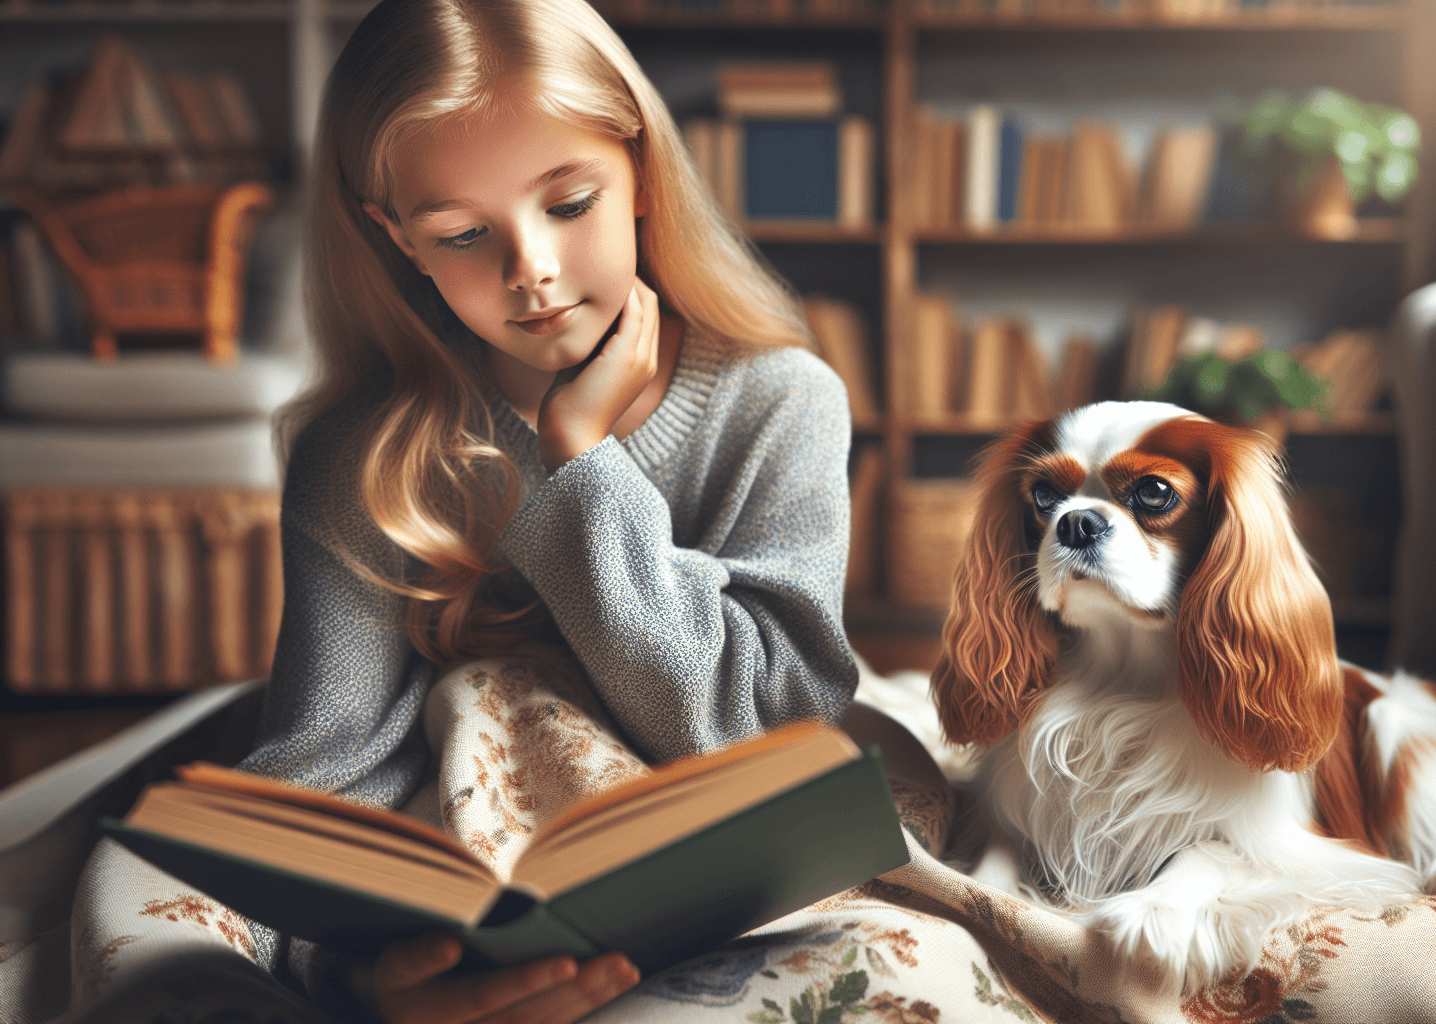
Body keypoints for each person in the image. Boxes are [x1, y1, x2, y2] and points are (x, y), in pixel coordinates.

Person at [66, 0, 859, 1020]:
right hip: (461, 905)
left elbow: (755, 737)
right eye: (463, 232)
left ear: (644, 175)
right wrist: (352, 975)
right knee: (131, 902)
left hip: (723, 898)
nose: (529, 268)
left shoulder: (779, 401)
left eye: (569, 204)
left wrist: (585, 464)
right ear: (396, 238)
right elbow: (324, 779)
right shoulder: (360, 454)